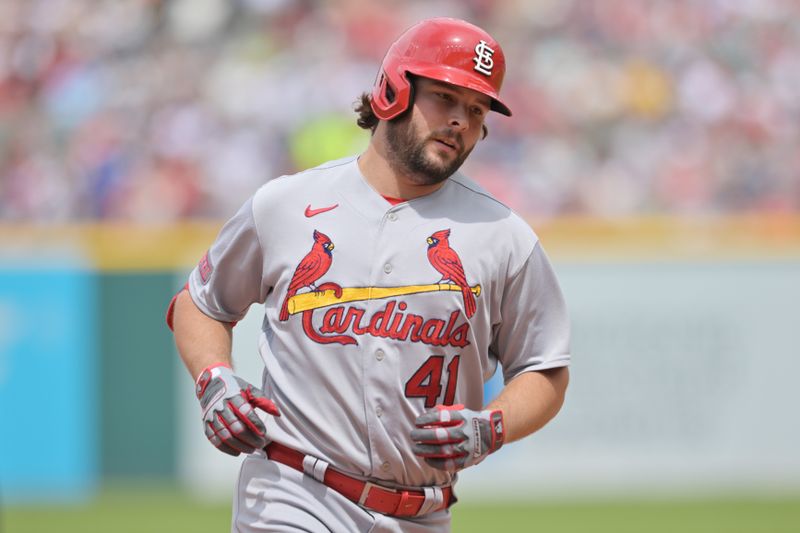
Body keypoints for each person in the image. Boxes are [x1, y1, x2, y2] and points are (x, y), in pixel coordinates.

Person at [168, 17, 570, 533]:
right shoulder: (287, 206)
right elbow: (201, 303)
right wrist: (214, 380)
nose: (460, 121)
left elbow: (546, 369)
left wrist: (491, 426)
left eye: (475, 110)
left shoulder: (504, 235)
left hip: (424, 513)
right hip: (293, 494)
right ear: (393, 91)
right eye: (445, 98)